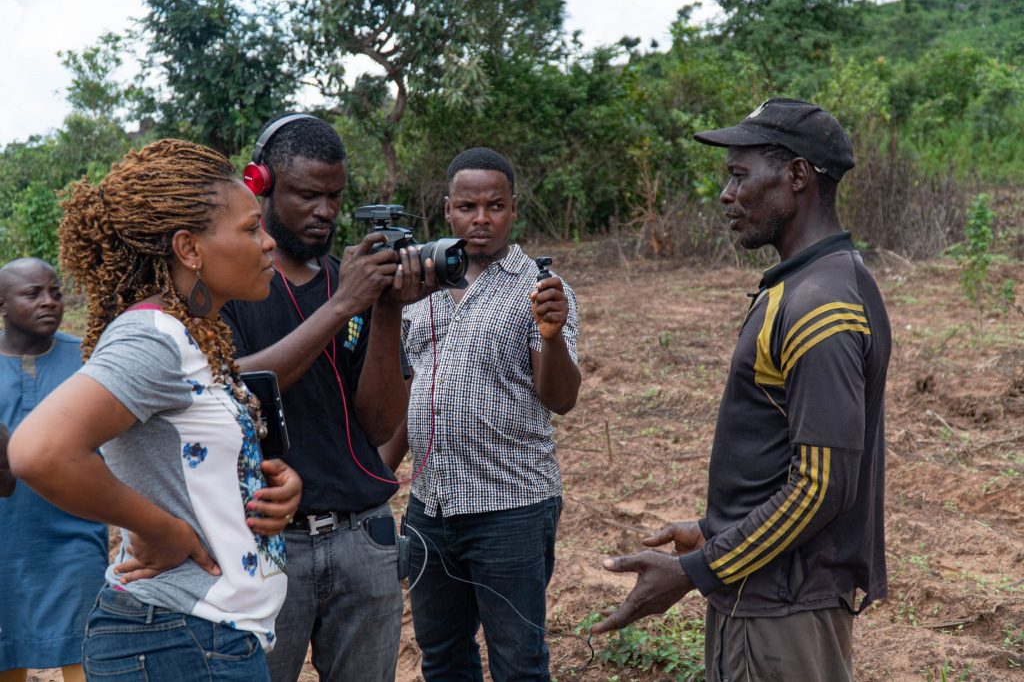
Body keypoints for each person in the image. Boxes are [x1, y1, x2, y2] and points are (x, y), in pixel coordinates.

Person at [590, 99, 891, 681]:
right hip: (763, 595)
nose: (726, 195)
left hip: (782, 610)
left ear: (797, 176)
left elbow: (821, 487)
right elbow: (780, 452)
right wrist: (712, 528)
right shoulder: (806, 284)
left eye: (738, 175)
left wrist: (697, 568)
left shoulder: (818, 306)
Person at [7, 139, 303, 682]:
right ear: (189, 248)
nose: (268, 244)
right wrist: (163, 531)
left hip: (199, 635)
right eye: (249, 229)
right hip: (177, 639)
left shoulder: (192, 335)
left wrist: (267, 489)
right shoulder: (153, 337)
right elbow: (40, 450)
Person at [222, 113, 429, 682]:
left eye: (335, 196)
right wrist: (340, 307)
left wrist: (385, 310)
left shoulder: (352, 283)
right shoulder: (229, 290)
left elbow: (382, 422)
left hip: (362, 539)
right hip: (265, 544)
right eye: (307, 194)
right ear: (261, 185)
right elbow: (233, 392)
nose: (325, 211)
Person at [387, 147, 581, 682]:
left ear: (513, 209)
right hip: (430, 507)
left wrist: (552, 338)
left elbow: (561, 398)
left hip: (511, 507)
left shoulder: (539, 289)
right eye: (467, 206)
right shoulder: (419, 289)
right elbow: (412, 391)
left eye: (494, 206)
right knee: (443, 655)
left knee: (518, 661)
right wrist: (381, 471)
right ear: (448, 209)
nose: (481, 220)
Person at [0, 258, 107, 682]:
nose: (49, 302)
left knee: (86, 654)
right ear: (2, 304)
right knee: (8, 657)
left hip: (76, 536)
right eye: (32, 294)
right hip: (5, 540)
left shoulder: (88, 357)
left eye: (56, 292)